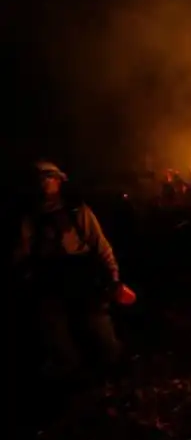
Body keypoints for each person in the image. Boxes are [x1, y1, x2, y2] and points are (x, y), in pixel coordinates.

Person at [11, 160, 125, 383]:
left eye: (50, 178)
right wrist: (24, 277)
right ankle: (73, 387)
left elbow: (101, 246)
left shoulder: (78, 211)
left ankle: (114, 382)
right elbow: (21, 254)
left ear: (59, 181)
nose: (45, 183)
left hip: (83, 279)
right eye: (41, 179)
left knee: (102, 336)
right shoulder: (29, 218)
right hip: (50, 282)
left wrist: (113, 278)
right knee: (58, 342)